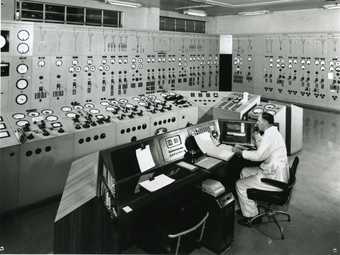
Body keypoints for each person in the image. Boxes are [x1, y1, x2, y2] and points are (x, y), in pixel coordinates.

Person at [232, 112, 289, 226]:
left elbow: (259, 156)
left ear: (266, 123)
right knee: (244, 171)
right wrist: (256, 136)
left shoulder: (269, 135)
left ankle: (252, 217)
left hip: (274, 179)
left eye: (259, 121)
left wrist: (241, 152)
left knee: (239, 184)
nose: (257, 123)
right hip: (276, 172)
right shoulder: (272, 132)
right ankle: (249, 206)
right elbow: (264, 149)